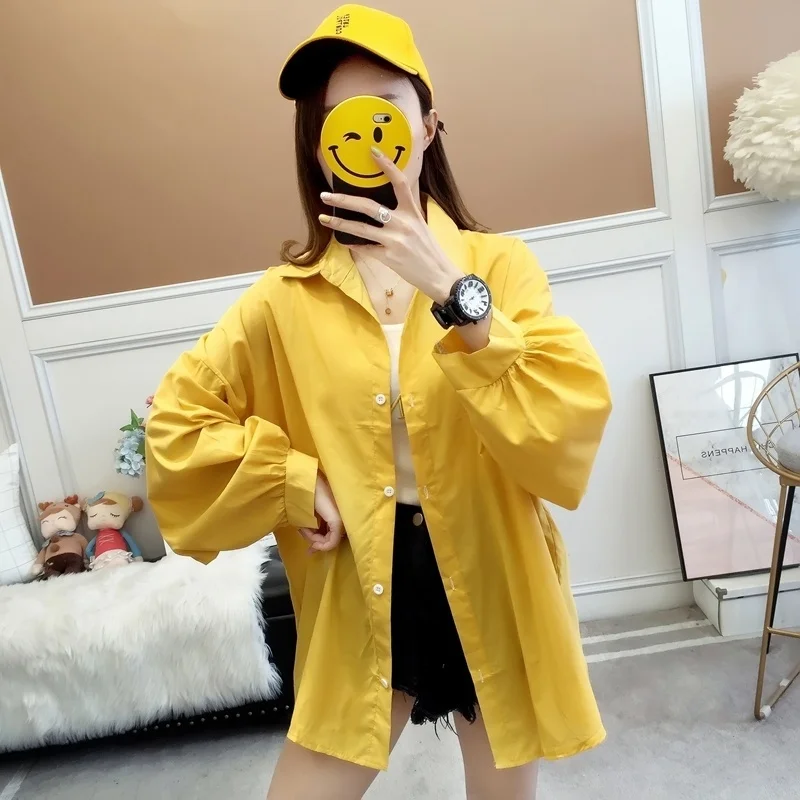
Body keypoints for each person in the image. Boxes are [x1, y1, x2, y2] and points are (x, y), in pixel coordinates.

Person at [145, 5, 612, 799]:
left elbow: (562, 418)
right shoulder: (283, 301)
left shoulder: (499, 266)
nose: (366, 134)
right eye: (339, 117)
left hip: (493, 567)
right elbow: (176, 425)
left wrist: (450, 288)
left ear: (428, 126)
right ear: (318, 143)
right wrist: (295, 483)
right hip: (363, 577)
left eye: (386, 107)